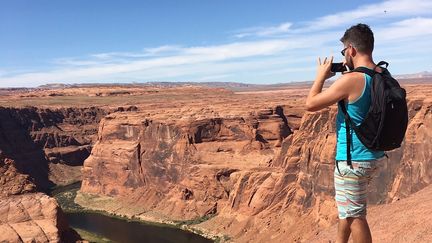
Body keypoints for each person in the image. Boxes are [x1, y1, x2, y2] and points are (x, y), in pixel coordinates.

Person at [305, 23, 385, 243]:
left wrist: (320, 76)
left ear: (351, 50)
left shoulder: (351, 80)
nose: (344, 56)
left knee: (355, 216)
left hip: (353, 160)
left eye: (343, 52)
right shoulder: (380, 74)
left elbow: (310, 104)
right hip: (373, 155)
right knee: (347, 210)